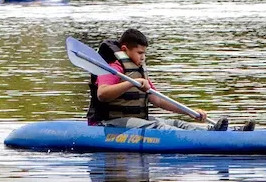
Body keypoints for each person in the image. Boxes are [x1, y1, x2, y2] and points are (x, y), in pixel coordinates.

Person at [90, 28, 227, 130]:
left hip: (137, 121)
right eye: (140, 53)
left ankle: (213, 131)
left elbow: (158, 100)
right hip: (110, 122)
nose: (143, 57)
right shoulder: (112, 68)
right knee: (157, 126)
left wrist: (189, 112)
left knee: (177, 123)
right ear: (125, 49)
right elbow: (102, 94)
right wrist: (130, 84)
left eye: (144, 53)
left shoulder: (138, 71)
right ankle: (202, 139)